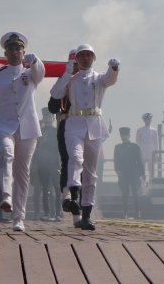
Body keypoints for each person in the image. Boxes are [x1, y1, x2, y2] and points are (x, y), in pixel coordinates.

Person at [49, 43, 120, 231]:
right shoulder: (71, 79)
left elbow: (110, 80)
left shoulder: (99, 78)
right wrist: (66, 73)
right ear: (76, 59)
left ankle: (87, 214)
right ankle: (73, 195)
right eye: (82, 55)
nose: (85, 58)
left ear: (93, 58)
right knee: (75, 158)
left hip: (94, 123)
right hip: (74, 123)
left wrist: (114, 69)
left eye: (89, 55)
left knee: (91, 171)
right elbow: (55, 94)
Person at [0, 31, 45, 232]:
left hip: (27, 127)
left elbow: (40, 73)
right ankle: (6, 196)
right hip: (3, 125)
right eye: (10, 49)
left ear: (23, 51)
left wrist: (35, 61)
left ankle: (18, 217)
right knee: (6, 154)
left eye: (18, 48)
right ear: (5, 52)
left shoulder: (30, 73)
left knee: (22, 172)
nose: (15, 52)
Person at [48, 48, 78, 225]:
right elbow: (52, 107)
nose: (75, 67)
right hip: (66, 123)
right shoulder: (63, 80)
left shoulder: (89, 80)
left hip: (85, 124)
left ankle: (80, 207)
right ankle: (67, 194)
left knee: (83, 164)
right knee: (68, 160)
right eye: (72, 63)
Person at [31, 108, 60, 221]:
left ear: (52, 118)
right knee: (44, 188)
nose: (47, 118)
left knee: (57, 189)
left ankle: (57, 213)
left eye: (49, 116)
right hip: (42, 163)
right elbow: (35, 149)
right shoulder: (39, 131)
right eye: (46, 116)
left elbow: (60, 148)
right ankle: (47, 212)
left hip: (54, 162)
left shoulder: (56, 131)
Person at [114, 127, 144, 219]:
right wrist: (118, 171)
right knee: (125, 194)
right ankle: (125, 212)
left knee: (135, 193)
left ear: (129, 135)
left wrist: (141, 174)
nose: (124, 136)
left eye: (125, 134)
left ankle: (137, 212)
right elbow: (116, 160)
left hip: (134, 173)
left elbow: (139, 161)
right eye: (122, 134)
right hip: (123, 173)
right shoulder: (118, 147)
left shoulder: (135, 146)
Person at [135, 113, 157, 181]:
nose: (148, 121)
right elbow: (137, 143)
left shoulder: (154, 131)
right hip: (142, 153)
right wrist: (137, 155)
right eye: (146, 119)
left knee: (152, 171)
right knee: (142, 171)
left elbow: (156, 143)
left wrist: (157, 154)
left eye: (149, 119)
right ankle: (143, 188)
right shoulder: (139, 130)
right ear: (144, 120)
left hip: (151, 153)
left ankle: (152, 186)